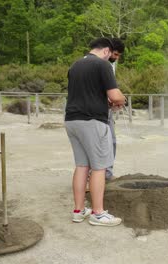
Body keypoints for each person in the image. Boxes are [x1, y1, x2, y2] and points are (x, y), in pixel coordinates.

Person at [65, 37, 126, 226]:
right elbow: (115, 95)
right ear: (107, 50)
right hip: (92, 121)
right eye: (111, 55)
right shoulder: (102, 65)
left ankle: (79, 210)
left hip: (72, 120)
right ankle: (98, 213)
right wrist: (121, 100)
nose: (111, 59)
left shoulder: (75, 66)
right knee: (99, 167)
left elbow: (87, 93)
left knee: (82, 166)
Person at [106, 38, 125, 181]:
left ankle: (107, 174)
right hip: (94, 114)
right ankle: (92, 178)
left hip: (106, 111)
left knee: (111, 141)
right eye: (116, 54)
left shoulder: (110, 65)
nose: (117, 58)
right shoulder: (99, 65)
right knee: (100, 144)